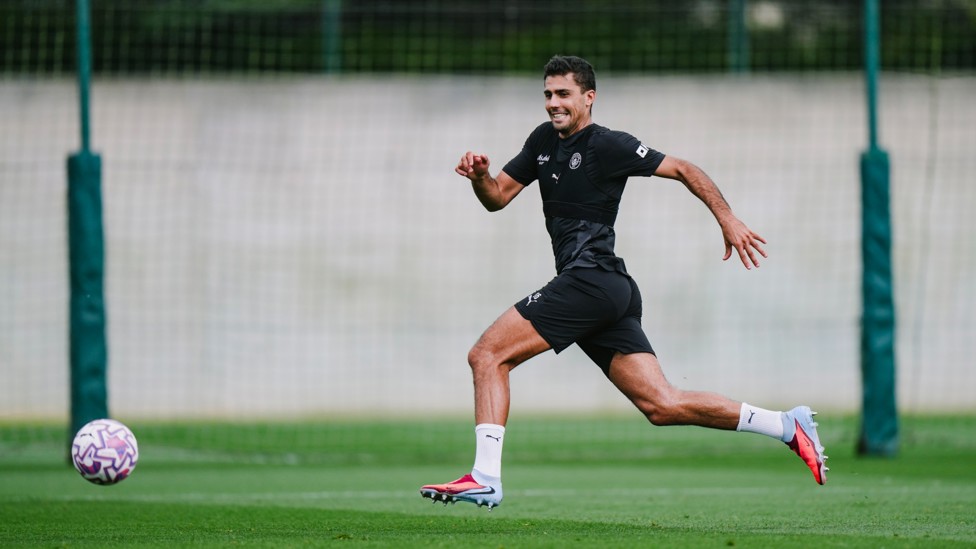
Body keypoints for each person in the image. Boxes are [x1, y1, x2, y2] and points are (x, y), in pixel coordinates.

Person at [420, 55, 827, 510]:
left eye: (563, 94)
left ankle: (485, 477)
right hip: (606, 289)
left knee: (487, 355)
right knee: (662, 405)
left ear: (589, 97)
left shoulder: (607, 144)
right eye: (548, 94)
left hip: (591, 281)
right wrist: (480, 177)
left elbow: (684, 169)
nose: (553, 103)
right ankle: (785, 425)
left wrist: (727, 218)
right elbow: (497, 197)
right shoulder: (541, 140)